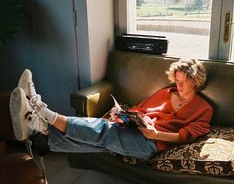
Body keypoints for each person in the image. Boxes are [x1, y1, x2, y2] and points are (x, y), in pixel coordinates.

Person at [9, 59, 213, 161]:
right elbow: (139, 110)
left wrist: (157, 133)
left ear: (196, 82)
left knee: (106, 131)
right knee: (101, 141)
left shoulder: (203, 109)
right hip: (135, 130)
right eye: (176, 80)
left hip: (152, 144)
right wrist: (125, 115)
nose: (178, 86)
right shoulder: (165, 93)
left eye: (183, 82)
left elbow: (187, 135)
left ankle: (43, 113)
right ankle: (40, 133)